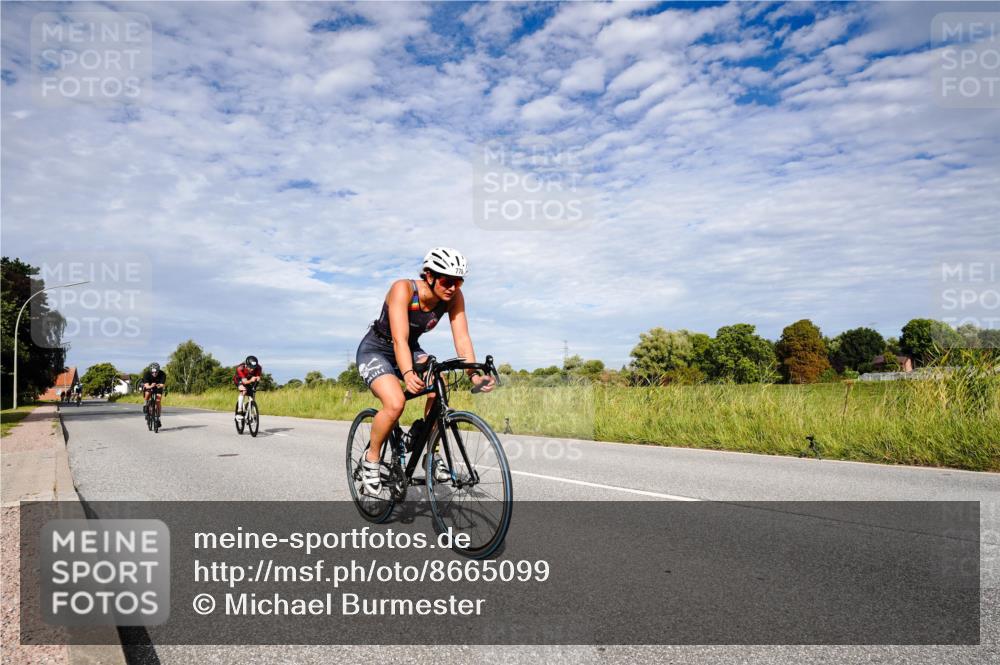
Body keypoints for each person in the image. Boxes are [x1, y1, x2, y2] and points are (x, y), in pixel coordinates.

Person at [355, 247, 495, 494]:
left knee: (438, 384)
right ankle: (371, 459)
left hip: (410, 348)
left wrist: (473, 375)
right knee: (395, 403)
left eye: (458, 282)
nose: (453, 287)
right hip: (377, 349)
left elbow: (462, 338)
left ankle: (431, 454)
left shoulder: (454, 297)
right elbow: (399, 339)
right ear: (429, 276)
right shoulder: (404, 289)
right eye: (447, 281)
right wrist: (408, 374)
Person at [233, 355, 262, 420]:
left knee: (252, 394)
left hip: (249, 378)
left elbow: (257, 377)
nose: (252, 369)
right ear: (246, 365)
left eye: (254, 368)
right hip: (239, 379)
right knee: (244, 390)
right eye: (250, 367)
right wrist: (251, 380)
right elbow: (245, 382)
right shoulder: (240, 368)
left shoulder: (258, 367)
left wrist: (257, 379)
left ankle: (251, 410)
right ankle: (239, 411)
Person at [141, 363, 166, 427]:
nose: (154, 373)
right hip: (149, 386)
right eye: (153, 372)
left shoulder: (162, 374)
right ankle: (145, 403)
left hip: (158, 387)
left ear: (158, 371)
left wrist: (159, 385)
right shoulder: (146, 374)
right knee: (148, 393)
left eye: (156, 372)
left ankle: (158, 418)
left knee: (158, 401)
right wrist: (151, 386)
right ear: (150, 371)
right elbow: (146, 386)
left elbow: (162, 384)